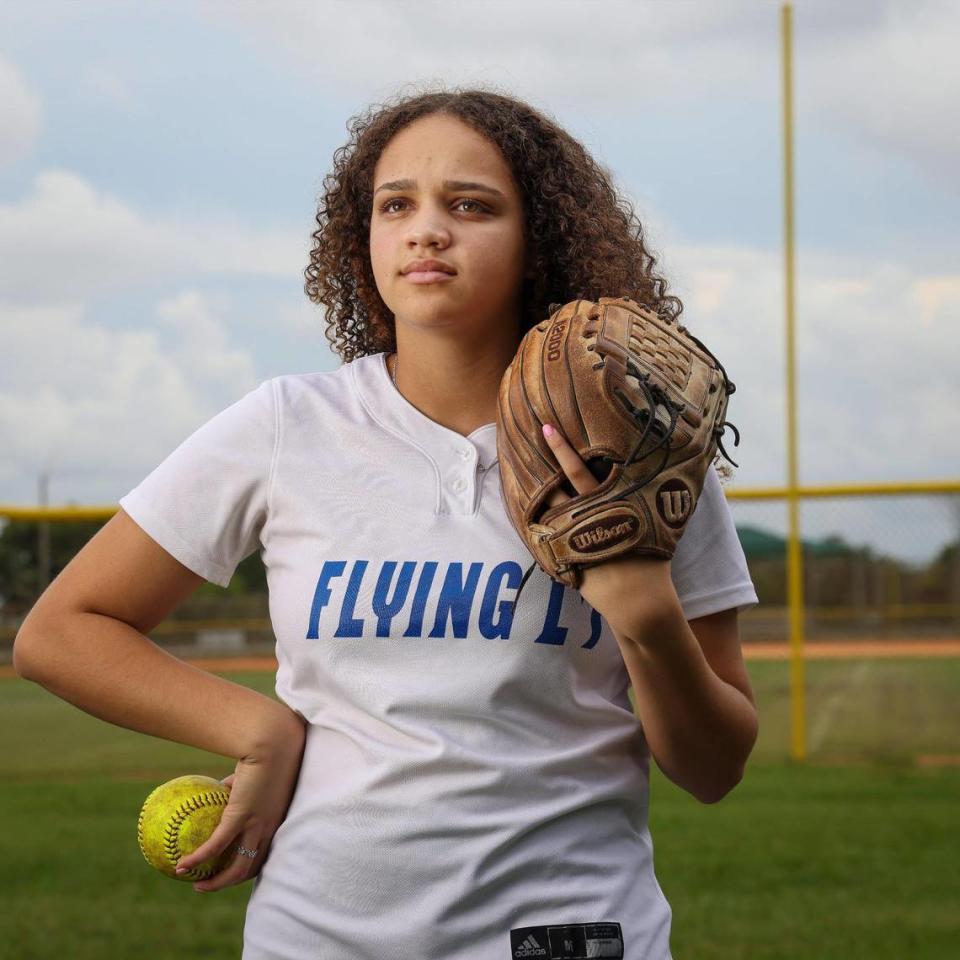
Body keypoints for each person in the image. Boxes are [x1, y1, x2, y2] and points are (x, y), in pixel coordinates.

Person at [13, 87, 760, 960]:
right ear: (360, 235)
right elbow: (60, 632)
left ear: (537, 242)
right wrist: (264, 733)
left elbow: (712, 771)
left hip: (563, 936)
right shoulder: (289, 425)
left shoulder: (638, 444)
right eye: (395, 204)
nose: (426, 229)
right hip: (319, 939)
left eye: (471, 206)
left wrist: (645, 617)